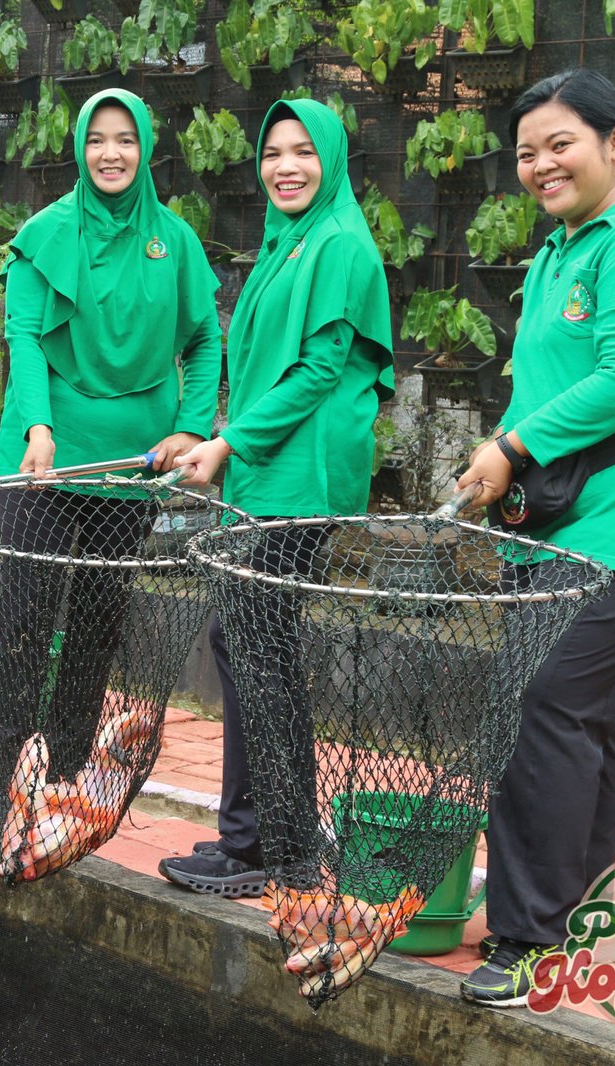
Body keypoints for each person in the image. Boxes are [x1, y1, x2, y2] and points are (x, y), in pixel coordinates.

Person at [447, 68, 615, 1007]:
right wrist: (507, 471)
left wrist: (510, 446)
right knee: (575, 718)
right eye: (525, 152)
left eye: (560, 142)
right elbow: (546, 386)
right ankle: (567, 915)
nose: (540, 164)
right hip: (567, 516)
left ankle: (531, 941)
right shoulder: (558, 252)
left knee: (543, 708)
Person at [158, 98, 394, 897]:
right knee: (255, 649)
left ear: (332, 160)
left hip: (302, 480)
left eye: (303, 152)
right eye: (272, 153)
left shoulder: (338, 244)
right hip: (268, 472)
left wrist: (228, 443)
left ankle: (265, 846)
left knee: (254, 647)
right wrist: (227, 439)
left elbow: (322, 372)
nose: (285, 167)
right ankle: (272, 839)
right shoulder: (290, 242)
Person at [0, 88, 222, 824]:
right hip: (45, 456)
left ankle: (70, 761)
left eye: (125, 139)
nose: (111, 153)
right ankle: (8, 772)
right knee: (22, 613)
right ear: (80, 149)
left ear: (146, 149)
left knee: (96, 615)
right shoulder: (45, 234)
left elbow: (206, 339)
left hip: (135, 460)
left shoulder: (173, 240)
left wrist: (189, 425)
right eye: (97, 140)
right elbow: (24, 336)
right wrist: (37, 429)